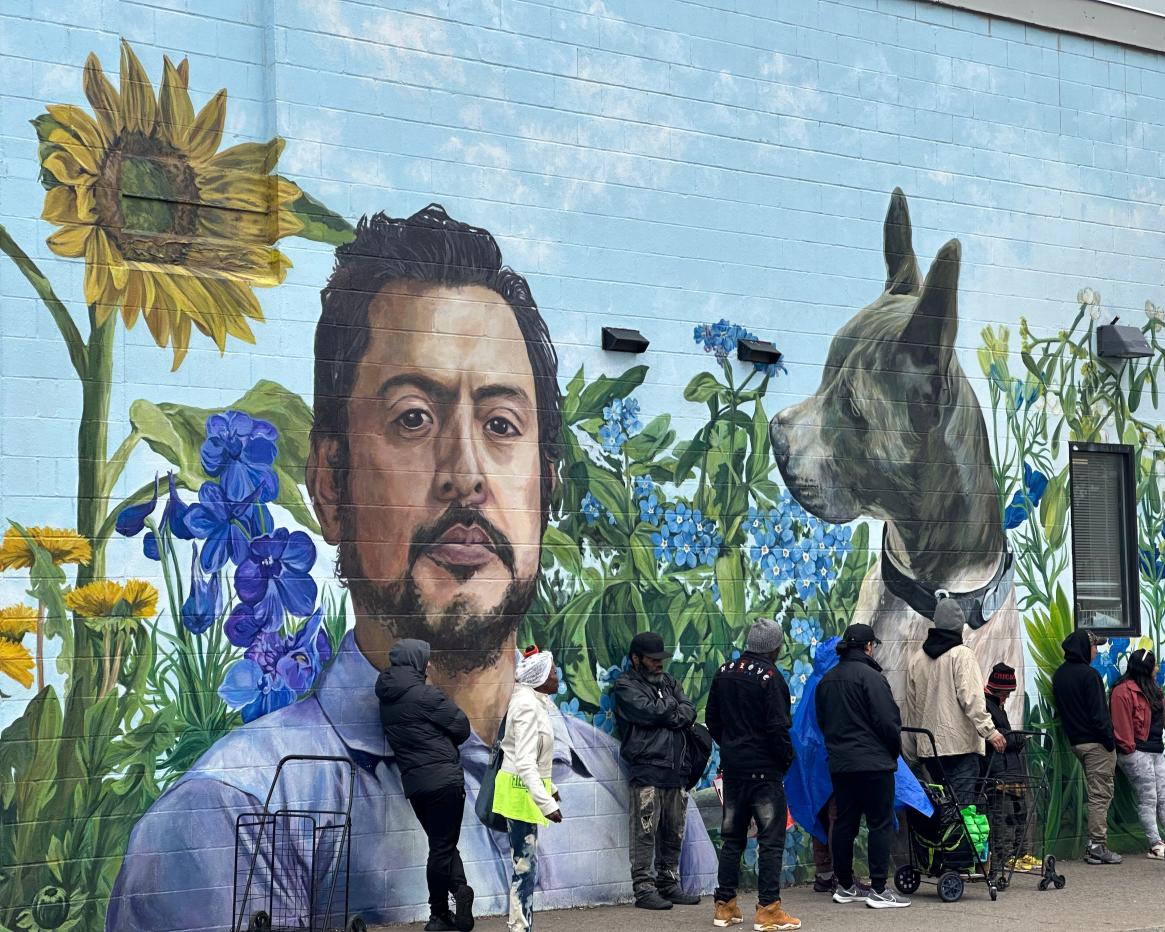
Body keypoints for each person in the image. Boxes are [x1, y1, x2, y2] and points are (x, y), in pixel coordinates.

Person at [107, 207, 716, 931]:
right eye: (413, 418)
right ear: (331, 486)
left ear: (546, 489)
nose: (465, 475)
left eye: (501, 425)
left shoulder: (624, 789)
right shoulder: (231, 819)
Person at [706, 618, 801, 931]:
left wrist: (732, 749)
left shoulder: (723, 673)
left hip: (733, 771)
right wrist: (785, 760)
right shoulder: (771, 678)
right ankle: (768, 909)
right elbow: (778, 729)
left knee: (732, 838)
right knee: (771, 841)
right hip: (765, 775)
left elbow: (713, 720)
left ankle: (725, 906)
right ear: (775, 648)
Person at [376, 639, 475, 931]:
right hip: (445, 780)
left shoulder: (386, 699)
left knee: (441, 843)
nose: (429, 664)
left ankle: (460, 890)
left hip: (416, 785)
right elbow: (462, 727)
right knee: (441, 848)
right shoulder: (426, 695)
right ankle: (439, 915)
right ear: (416, 662)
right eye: (426, 659)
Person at [816, 623, 909, 909]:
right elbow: (889, 722)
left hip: (842, 765)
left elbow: (823, 723)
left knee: (845, 823)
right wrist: (891, 753)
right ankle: (879, 889)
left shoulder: (827, 680)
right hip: (873, 764)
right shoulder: (872, 678)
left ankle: (844, 886)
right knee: (879, 823)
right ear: (869, 647)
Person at [613, 631, 701, 910]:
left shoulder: (669, 682)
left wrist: (668, 709)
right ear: (635, 659)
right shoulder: (625, 685)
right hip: (647, 768)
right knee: (645, 832)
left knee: (673, 830)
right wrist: (670, 709)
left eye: (661, 659)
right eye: (652, 660)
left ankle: (668, 883)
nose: (658, 664)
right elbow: (648, 712)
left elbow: (689, 710)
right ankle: (644, 889)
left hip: (676, 769)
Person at [904, 598, 1006, 805]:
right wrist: (990, 731)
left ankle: (945, 838)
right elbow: (972, 699)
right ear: (959, 626)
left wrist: (915, 747)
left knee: (944, 809)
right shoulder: (962, 655)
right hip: (960, 748)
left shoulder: (917, 659)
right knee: (963, 810)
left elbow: (913, 709)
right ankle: (960, 839)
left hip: (930, 750)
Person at [494, 647, 564, 932]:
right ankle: (519, 927)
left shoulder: (535, 701)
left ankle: (520, 925)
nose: (557, 674)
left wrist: (552, 788)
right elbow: (523, 761)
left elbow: (536, 757)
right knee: (524, 868)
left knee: (525, 866)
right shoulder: (525, 705)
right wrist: (548, 804)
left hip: (525, 792)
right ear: (539, 677)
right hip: (518, 794)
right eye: (553, 670)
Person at [1052, 629, 1121, 865]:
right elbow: (1099, 714)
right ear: (1084, 648)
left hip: (1076, 743)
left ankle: (1096, 845)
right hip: (1097, 743)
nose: (1097, 651)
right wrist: (1110, 742)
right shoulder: (1089, 676)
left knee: (1095, 793)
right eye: (1094, 647)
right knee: (1100, 794)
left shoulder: (1060, 675)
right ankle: (1097, 846)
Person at [1111, 648, 1165, 860]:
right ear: (1147, 667)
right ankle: (1154, 842)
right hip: (1138, 751)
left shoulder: (1155, 690)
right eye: (1155, 664)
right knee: (1148, 797)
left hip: (1155, 750)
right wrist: (1131, 749)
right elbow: (1121, 726)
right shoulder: (1123, 691)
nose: (1158, 668)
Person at [982, 662, 1028, 870]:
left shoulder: (997, 706)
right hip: (998, 772)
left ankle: (1013, 855)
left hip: (1008, 770)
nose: (1007, 698)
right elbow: (1001, 737)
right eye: (1006, 693)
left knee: (1016, 814)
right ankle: (1000, 860)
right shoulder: (987, 706)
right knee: (1000, 819)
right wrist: (1017, 739)